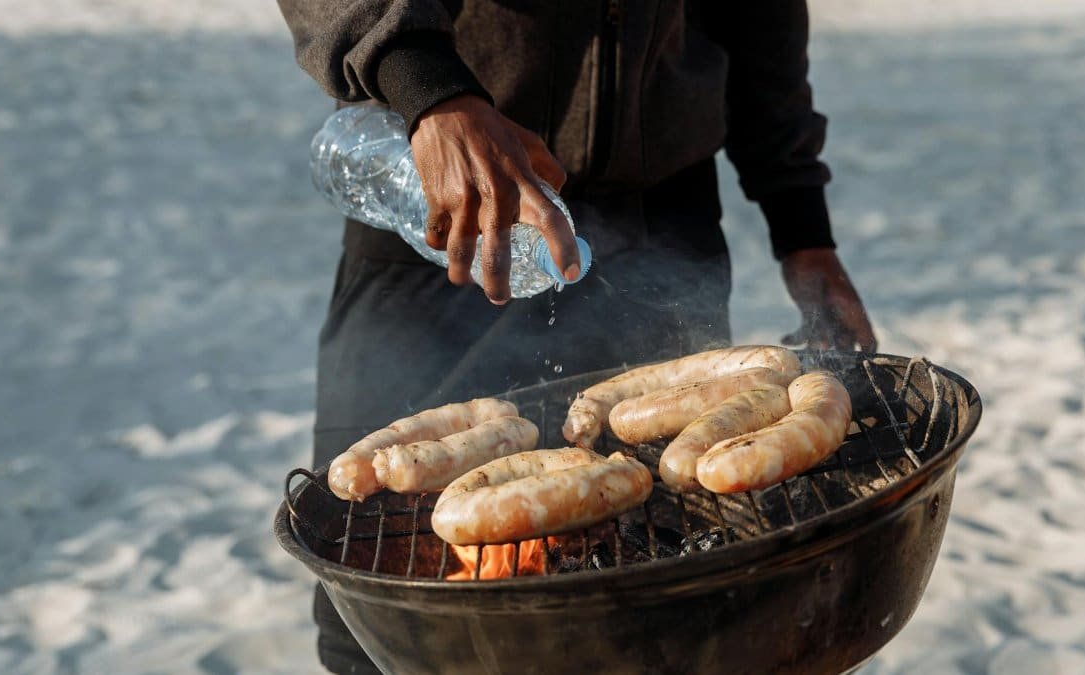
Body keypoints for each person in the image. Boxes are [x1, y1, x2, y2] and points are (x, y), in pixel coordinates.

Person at [276, 0, 877, 671]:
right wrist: (427, 88)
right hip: (443, 208)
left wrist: (803, 230)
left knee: (673, 604)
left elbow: (761, 20)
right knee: (375, 621)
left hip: (660, 227)